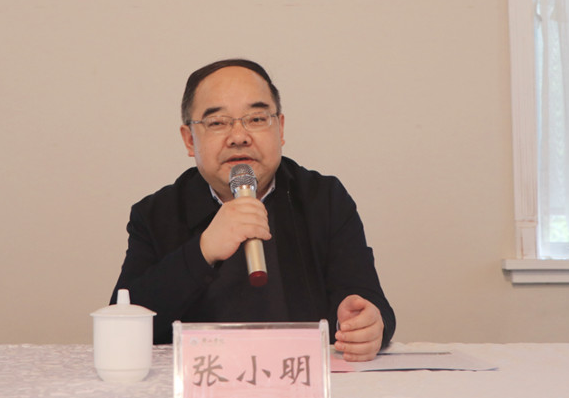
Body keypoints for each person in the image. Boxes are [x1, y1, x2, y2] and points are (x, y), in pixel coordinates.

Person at [112, 59, 395, 361]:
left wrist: (367, 324)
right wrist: (203, 250)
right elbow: (122, 323)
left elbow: (369, 302)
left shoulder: (323, 198)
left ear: (280, 128)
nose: (239, 136)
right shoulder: (155, 214)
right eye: (217, 122)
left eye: (257, 119)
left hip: (298, 377)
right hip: (205, 379)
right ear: (189, 139)